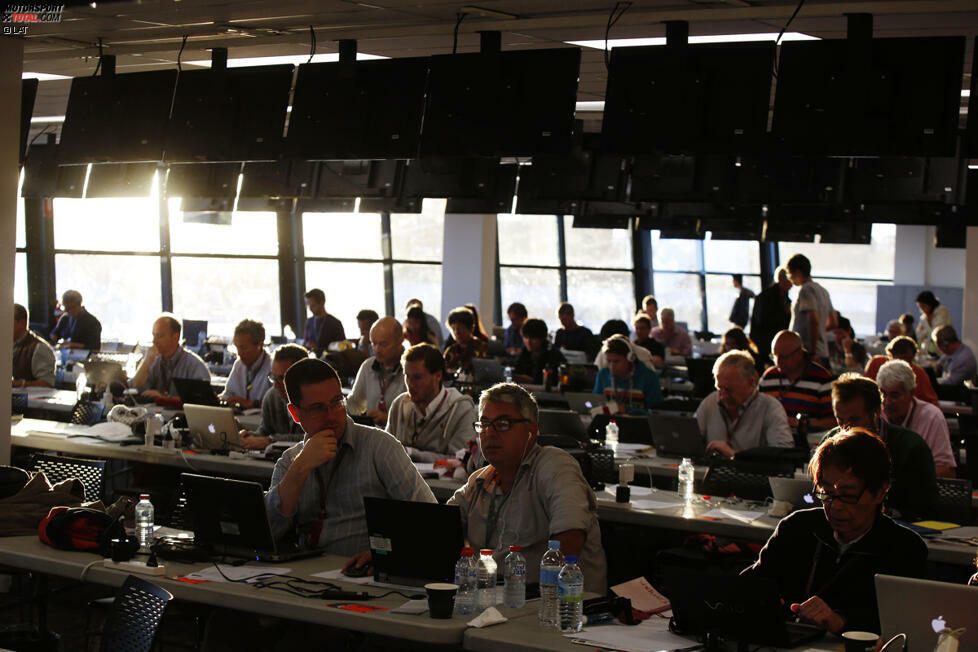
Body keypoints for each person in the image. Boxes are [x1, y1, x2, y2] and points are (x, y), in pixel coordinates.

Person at [742, 428, 927, 634]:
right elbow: (749, 588)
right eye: (827, 493)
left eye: (848, 495)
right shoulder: (798, 528)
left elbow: (907, 628)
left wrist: (842, 623)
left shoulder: (904, 549)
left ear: (881, 491)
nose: (835, 506)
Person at [264, 358, 436, 559]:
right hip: (304, 573)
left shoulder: (380, 447)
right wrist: (300, 467)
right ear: (295, 413)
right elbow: (268, 533)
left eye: (337, 402)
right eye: (317, 408)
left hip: (365, 576)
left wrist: (387, 553)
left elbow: (431, 520)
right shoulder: (290, 461)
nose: (331, 416)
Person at [447, 383, 607, 593]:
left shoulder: (555, 465)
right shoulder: (480, 480)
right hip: (493, 603)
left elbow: (570, 536)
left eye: (503, 424)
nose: (490, 433)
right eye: (484, 424)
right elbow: (441, 526)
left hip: (559, 606)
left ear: (531, 431)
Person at [824, 373, 938, 521]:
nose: (846, 430)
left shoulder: (910, 447)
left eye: (854, 420)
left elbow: (924, 508)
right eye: (840, 420)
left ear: (876, 412)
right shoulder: (831, 442)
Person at [386, 343, 478, 463]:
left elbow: (461, 460)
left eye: (417, 377)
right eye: (407, 376)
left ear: (438, 375)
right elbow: (386, 451)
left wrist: (411, 453)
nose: (410, 384)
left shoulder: (461, 410)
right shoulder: (399, 405)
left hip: (444, 482)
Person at [694, 350, 793, 457]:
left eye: (729, 390)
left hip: (753, 473)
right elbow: (688, 439)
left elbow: (783, 456)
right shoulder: (711, 401)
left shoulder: (770, 408)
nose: (723, 396)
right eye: (719, 388)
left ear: (751, 382)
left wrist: (734, 455)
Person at [877, 360, 956, 478]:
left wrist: (903, 475)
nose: (887, 402)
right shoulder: (875, 414)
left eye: (895, 395)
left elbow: (947, 471)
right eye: (883, 394)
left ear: (911, 393)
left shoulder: (932, 417)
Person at [760, 330, 836, 431]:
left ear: (799, 354)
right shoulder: (768, 377)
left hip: (809, 440)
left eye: (783, 357)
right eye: (774, 356)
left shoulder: (821, 378)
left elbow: (834, 420)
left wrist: (803, 423)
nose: (778, 362)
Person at [239, 344, 309, 450]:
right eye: (273, 377)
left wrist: (271, 440)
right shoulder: (272, 397)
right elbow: (265, 432)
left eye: (282, 378)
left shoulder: (316, 401)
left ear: (302, 377)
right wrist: (250, 436)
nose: (276, 385)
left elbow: (312, 438)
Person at [131, 314, 210, 398]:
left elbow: (201, 400)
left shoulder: (195, 366)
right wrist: (146, 361)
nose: (154, 341)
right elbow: (135, 387)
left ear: (175, 337)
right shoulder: (154, 360)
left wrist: (164, 398)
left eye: (159, 336)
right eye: (153, 336)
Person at [346, 317, 406, 427]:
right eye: (373, 344)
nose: (377, 350)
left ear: (400, 340)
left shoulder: (411, 368)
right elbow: (354, 404)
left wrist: (389, 419)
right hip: (375, 438)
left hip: (403, 439)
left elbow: (422, 418)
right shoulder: (368, 366)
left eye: (383, 344)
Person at [785, 253, 835, 364]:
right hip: (823, 350)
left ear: (797, 272)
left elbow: (813, 319)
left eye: (789, 274)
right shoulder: (823, 290)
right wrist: (820, 331)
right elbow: (833, 322)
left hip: (810, 352)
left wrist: (812, 351)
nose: (790, 279)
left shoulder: (805, 290)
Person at [592, 335, 663, 413]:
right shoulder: (603, 374)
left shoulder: (649, 376)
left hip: (639, 423)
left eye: (616, 361)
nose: (612, 366)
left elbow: (656, 413)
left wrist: (626, 410)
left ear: (630, 359)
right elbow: (596, 404)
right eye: (609, 361)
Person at [863, 336, 939, 407]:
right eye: (899, 361)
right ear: (890, 355)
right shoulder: (876, 364)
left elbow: (932, 402)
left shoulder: (919, 373)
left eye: (907, 361)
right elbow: (864, 391)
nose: (903, 366)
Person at [220, 319, 272, 409]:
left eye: (243, 348)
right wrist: (219, 399)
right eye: (237, 347)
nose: (239, 353)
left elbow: (280, 405)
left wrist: (251, 404)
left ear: (260, 345)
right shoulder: (238, 365)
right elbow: (228, 394)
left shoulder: (273, 368)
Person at [750, 266, 792, 359]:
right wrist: (786, 315)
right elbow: (761, 321)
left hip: (777, 342)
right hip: (766, 345)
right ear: (781, 279)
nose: (791, 284)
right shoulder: (766, 297)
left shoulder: (785, 298)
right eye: (789, 280)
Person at [12, 303, 56, 388]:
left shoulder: (39, 348)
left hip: (26, 400)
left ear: (22, 323)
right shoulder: (5, 345)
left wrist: (20, 384)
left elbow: (47, 384)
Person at [512, 318, 566, 385]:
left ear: (542, 338)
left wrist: (532, 381)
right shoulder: (525, 352)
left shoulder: (554, 355)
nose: (528, 341)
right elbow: (517, 371)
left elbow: (555, 381)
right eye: (525, 337)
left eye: (533, 338)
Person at [443, 307, 489, 374]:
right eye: (453, 329)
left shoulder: (481, 347)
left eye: (461, 328)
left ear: (471, 328)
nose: (457, 332)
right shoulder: (451, 350)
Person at [302, 288, 346, 353]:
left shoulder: (335, 323)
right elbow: (305, 343)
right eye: (309, 306)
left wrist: (318, 348)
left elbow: (342, 348)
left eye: (313, 306)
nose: (310, 309)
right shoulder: (309, 322)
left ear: (322, 303)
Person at [915, 290, 951, 357]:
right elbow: (918, 334)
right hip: (928, 351)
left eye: (923, 306)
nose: (922, 309)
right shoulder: (923, 318)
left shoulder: (941, 312)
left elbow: (937, 330)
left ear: (930, 304)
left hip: (942, 350)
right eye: (920, 307)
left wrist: (929, 324)